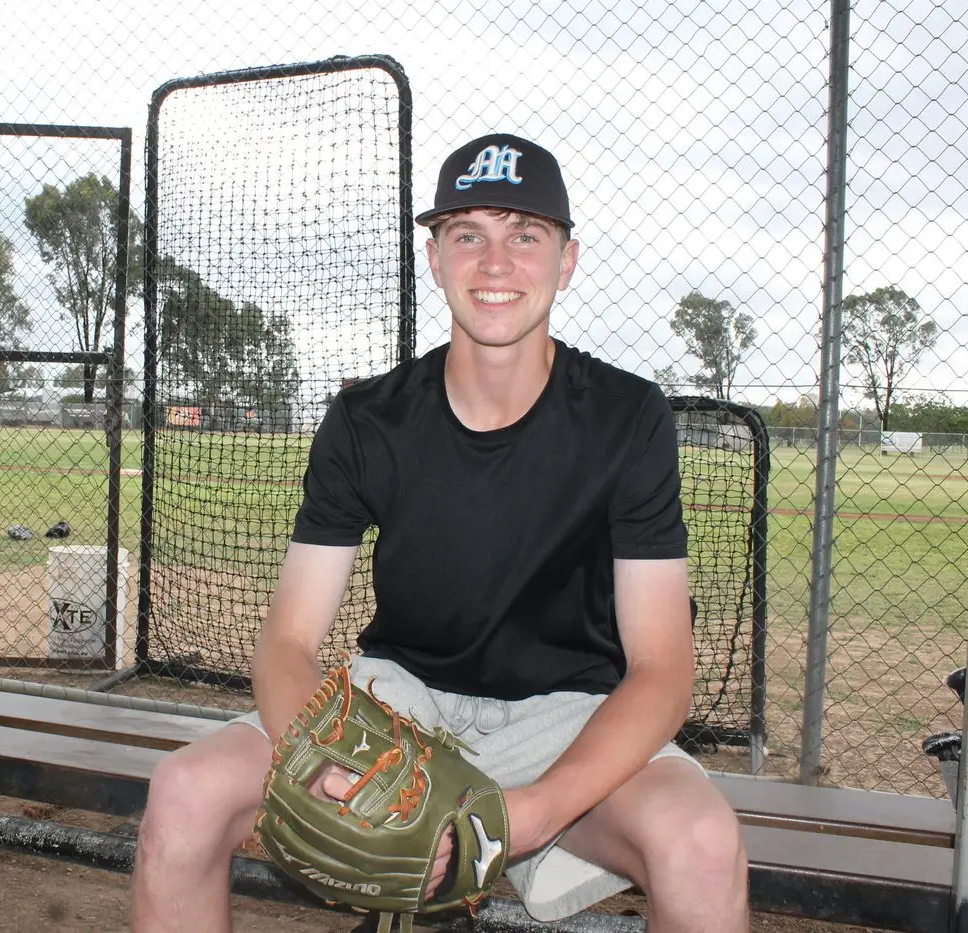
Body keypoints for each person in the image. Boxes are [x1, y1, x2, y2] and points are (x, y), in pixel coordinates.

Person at [130, 132, 749, 933]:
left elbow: (663, 671)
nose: (495, 263)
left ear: (566, 261)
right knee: (183, 792)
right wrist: (320, 760)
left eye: (524, 235)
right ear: (434, 256)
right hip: (398, 708)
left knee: (701, 841)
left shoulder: (628, 417)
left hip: (568, 716)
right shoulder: (366, 419)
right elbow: (286, 641)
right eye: (468, 234)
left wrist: (526, 815)